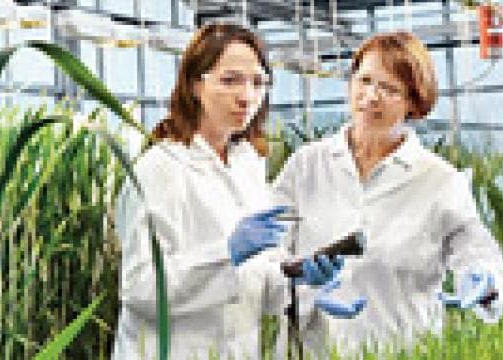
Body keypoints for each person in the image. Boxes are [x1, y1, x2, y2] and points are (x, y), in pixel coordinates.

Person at [270, 31, 503, 357]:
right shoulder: (305, 166)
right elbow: (266, 250)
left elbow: (478, 254)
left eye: (390, 89)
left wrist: (484, 282)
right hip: (312, 348)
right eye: (364, 80)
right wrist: (293, 271)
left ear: (414, 102)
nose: (371, 96)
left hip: (399, 347)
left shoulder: (440, 180)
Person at [112, 23, 339, 360]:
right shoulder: (160, 168)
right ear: (194, 85)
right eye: (230, 80)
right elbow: (140, 289)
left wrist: (299, 278)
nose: (247, 95)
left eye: (258, 82)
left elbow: (252, 287)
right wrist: (226, 253)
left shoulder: (247, 166)